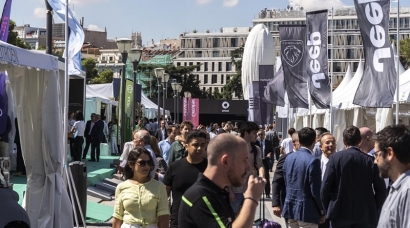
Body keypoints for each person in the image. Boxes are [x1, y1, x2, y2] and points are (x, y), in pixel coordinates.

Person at [178, 133, 266, 228]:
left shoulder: (218, 191)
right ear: (225, 161)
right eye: (244, 161)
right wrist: (251, 199)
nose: (248, 168)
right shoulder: (201, 196)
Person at [321, 126, 386, 228]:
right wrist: (373, 207)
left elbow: (325, 187)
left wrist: (325, 209)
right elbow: (381, 190)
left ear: (344, 141)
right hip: (364, 214)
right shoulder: (370, 160)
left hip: (339, 213)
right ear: (359, 141)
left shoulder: (335, 158)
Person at [112, 147, 170, 228]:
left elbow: (164, 216)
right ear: (131, 164)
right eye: (142, 163)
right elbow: (117, 217)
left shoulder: (159, 187)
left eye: (149, 163)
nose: (146, 166)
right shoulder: (121, 187)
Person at [163, 130, 208, 228]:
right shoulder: (175, 167)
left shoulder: (211, 168)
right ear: (186, 146)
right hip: (179, 221)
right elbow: (164, 195)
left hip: (205, 221)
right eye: (195, 145)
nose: (200, 148)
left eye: (203, 145)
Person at [282, 127, 326, 227]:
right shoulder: (313, 160)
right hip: (307, 211)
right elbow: (315, 190)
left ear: (299, 140)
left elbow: (286, 182)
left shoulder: (289, 157)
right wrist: (321, 211)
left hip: (290, 207)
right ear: (315, 140)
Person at [374, 124, 410, 228]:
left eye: (376, 155)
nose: (375, 161)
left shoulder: (407, 190)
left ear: (389, 153)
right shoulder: (397, 187)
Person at [229, 121, 264, 214]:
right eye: (254, 133)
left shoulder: (256, 149)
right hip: (235, 190)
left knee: (247, 216)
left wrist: (261, 177)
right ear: (246, 133)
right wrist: (229, 190)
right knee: (233, 218)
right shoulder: (232, 147)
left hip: (249, 189)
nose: (256, 136)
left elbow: (260, 164)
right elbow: (227, 169)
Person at [271, 131, 299, 224]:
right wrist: (276, 203)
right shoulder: (286, 158)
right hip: (290, 203)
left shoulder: (313, 158)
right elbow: (277, 181)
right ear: (294, 142)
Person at [256, 129, 274, 198]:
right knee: (257, 177)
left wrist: (270, 153)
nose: (260, 136)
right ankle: (258, 193)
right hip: (257, 162)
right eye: (259, 134)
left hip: (265, 161)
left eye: (262, 134)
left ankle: (267, 193)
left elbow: (272, 151)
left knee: (266, 177)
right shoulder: (255, 142)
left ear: (264, 134)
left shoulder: (268, 142)